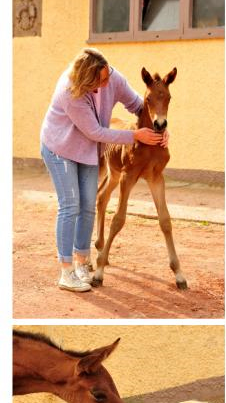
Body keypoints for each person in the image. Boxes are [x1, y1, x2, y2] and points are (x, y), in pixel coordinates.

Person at [40, 48, 166, 292]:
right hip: (59, 147)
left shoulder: (113, 78)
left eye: (108, 76)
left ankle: (81, 262)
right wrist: (135, 135)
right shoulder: (70, 91)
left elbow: (139, 106)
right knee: (70, 205)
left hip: (87, 149)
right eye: (102, 80)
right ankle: (66, 271)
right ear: (87, 79)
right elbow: (96, 132)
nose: (108, 83)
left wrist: (160, 128)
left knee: (88, 205)